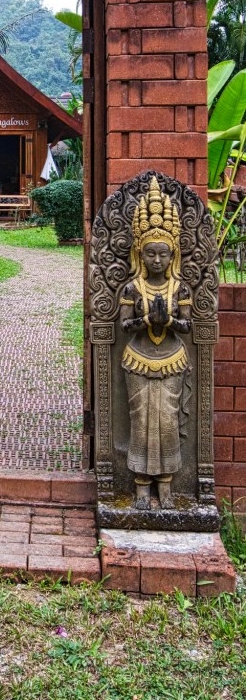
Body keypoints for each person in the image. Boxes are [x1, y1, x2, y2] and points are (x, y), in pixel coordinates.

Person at [120, 177, 191, 510]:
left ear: (172, 253)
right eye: (151, 253)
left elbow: (187, 327)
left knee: (167, 421)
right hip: (138, 358)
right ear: (140, 253)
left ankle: (165, 485)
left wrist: (171, 321)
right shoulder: (132, 289)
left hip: (172, 358)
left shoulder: (180, 288)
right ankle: (140, 486)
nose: (158, 260)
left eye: (164, 253)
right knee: (142, 421)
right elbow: (124, 324)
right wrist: (148, 320)